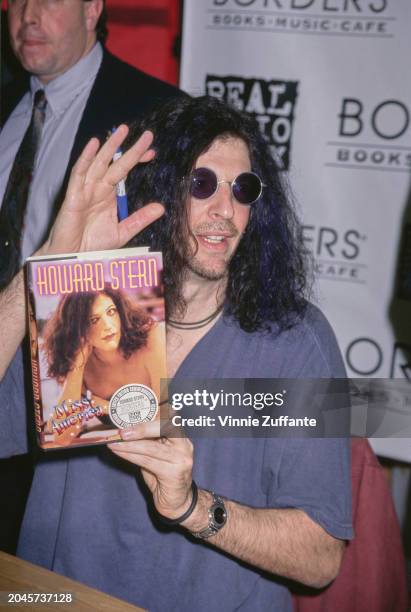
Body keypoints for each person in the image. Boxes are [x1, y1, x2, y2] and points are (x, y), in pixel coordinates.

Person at [0, 96, 353, 612]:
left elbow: (322, 557)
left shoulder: (297, 341)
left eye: (243, 190)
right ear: (160, 189)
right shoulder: (85, 303)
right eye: (202, 183)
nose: (225, 211)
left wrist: (193, 508)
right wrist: (46, 264)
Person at [0, 0, 180, 550]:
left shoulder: (158, 113)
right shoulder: (7, 100)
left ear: (93, 8)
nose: (27, 15)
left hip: (74, 410)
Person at [41, 287, 166, 445]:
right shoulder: (79, 363)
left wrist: (101, 405)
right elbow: (62, 437)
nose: (108, 325)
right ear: (78, 330)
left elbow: (164, 419)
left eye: (111, 312)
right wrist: (77, 365)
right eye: (93, 320)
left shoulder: (151, 337)